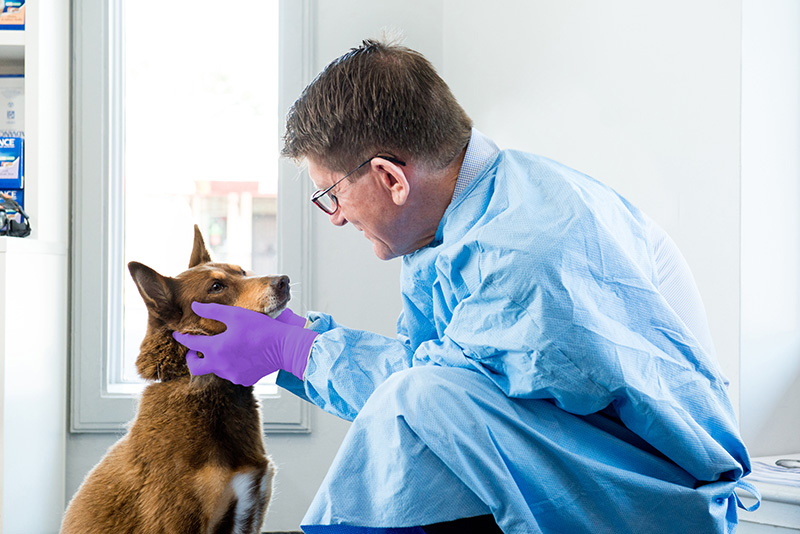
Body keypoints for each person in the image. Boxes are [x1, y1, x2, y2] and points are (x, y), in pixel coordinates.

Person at [173, 39, 759, 533]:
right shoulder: (454, 227)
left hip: (656, 498)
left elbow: (435, 394)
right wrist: (300, 345)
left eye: (332, 194)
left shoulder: (522, 251)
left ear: (389, 178)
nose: (335, 216)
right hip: (596, 460)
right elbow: (438, 368)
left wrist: (294, 351)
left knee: (416, 402)